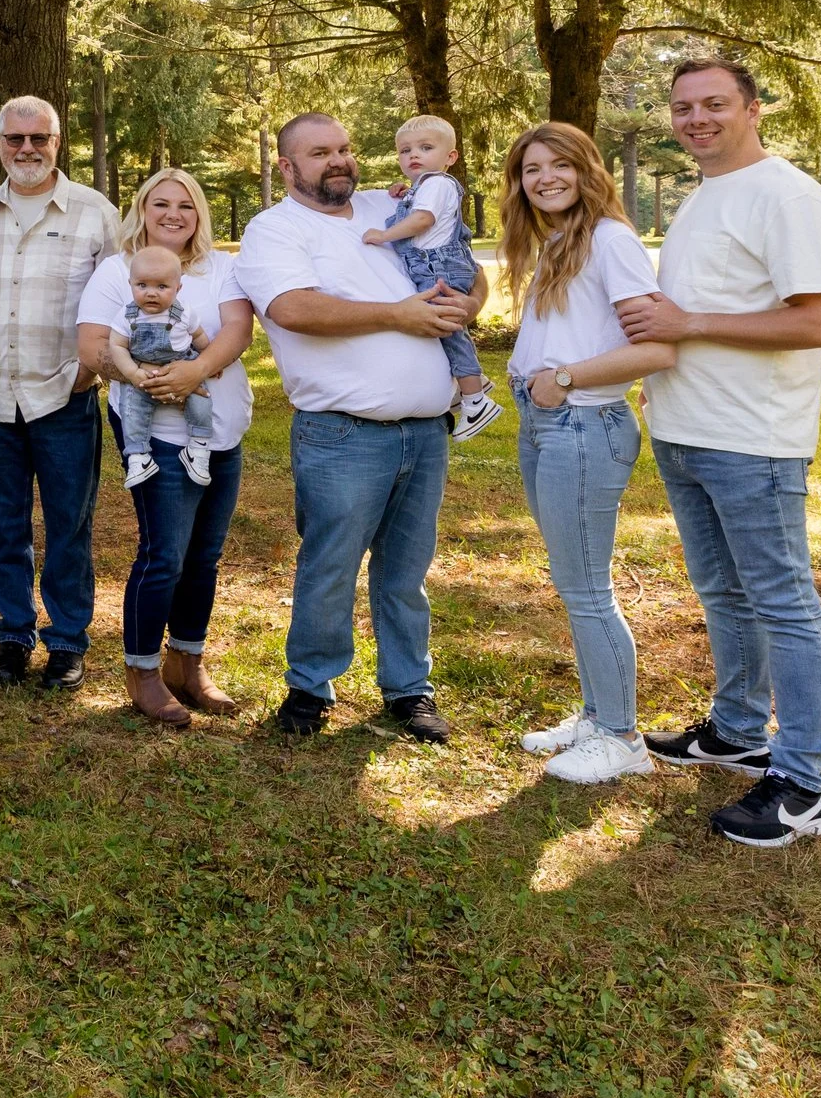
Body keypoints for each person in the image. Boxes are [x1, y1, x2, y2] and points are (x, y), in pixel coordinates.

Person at [620, 58, 821, 847]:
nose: (696, 118)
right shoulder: (706, 194)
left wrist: (692, 326)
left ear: (752, 108)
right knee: (725, 593)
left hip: (753, 439)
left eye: (714, 103)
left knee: (783, 602)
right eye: (683, 107)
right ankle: (738, 728)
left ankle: (802, 783)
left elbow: (820, 321)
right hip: (687, 431)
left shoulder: (786, 194)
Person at [234, 113, 479, 743]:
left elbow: (464, 265)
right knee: (330, 565)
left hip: (426, 431)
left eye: (344, 148)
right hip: (342, 434)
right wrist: (397, 315)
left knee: (406, 571)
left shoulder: (389, 204)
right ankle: (311, 687)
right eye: (320, 153)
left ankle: (409, 689)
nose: (339, 160)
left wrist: (469, 304)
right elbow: (293, 308)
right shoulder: (275, 229)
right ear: (287, 167)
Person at [496, 122, 677, 783]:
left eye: (559, 164)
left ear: (586, 169)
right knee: (574, 585)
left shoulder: (610, 239)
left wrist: (565, 376)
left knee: (587, 589)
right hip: (546, 422)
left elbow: (657, 348)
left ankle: (624, 737)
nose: (544, 177)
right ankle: (600, 715)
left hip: (581, 422)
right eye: (530, 168)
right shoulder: (559, 242)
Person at [74, 169, 255, 726]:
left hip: (220, 429)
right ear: (142, 209)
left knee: (204, 556)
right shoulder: (117, 270)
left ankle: (187, 662)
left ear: (198, 214)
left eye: (186, 205)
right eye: (161, 204)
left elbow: (236, 331)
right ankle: (143, 671)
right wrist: (150, 380)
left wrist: (194, 371)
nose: (173, 214)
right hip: (156, 436)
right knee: (164, 557)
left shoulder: (221, 266)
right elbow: (93, 346)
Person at [0, 95, 119, 690]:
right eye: (15, 138)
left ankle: (67, 640)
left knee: (68, 525)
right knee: (3, 526)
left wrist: (90, 371)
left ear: (58, 142)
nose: (27, 149)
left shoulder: (96, 213)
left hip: (65, 398)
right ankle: (12, 636)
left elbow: (121, 302)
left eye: (39, 138)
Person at [362, 114, 499, 438]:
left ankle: (476, 399)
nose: (413, 155)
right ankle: (470, 382)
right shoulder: (424, 186)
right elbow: (418, 207)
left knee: (445, 328)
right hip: (434, 265)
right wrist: (404, 192)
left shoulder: (437, 184)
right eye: (405, 150)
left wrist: (385, 235)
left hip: (438, 267)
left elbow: (422, 220)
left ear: (450, 157)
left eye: (425, 148)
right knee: (438, 328)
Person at [106, 245, 217, 490]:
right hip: (143, 373)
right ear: (131, 283)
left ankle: (197, 448)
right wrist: (132, 373)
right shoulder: (127, 315)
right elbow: (117, 345)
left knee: (201, 401)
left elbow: (198, 336)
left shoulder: (183, 312)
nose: (151, 293)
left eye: (162, 287)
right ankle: (139, 457)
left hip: (183, 366)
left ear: (178, 288)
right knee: (132, 409)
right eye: (142, 285)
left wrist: (207, 359)